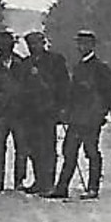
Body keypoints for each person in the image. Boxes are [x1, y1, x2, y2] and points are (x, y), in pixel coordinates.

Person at [45, 30, 111, 200]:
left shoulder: (100, 68)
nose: (81, 47)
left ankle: (93, 188)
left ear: (92, 45)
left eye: (85, 44)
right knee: (69, 152)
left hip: (91, 119)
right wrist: (66, 111)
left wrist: (101, 114)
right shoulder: (78, 67)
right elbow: (72, 94)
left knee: (91, 152)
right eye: (79, 44)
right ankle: (61, 188)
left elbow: (109, 93)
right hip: (76, 118)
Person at [20, 31, 69, 193]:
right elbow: (21, 87)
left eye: (37, 43)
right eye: (31, 44)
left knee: (48, 147)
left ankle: (48, 182)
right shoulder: (25, 64)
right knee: (33, 148)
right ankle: (38, 181)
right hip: (30, 112)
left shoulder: (55, 60)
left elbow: (63, 84)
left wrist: (62, 107)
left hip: (49, 110)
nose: (34, 47)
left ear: (43, 43)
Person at [0, 30, 29, 192]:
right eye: (1, 45)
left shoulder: (21, 64)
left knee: (21, 148)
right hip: (0, 112)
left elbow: (28, 89)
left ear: (12, 46)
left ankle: (19, 181)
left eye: (7, 44)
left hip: (20, 112)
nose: (4, 47)